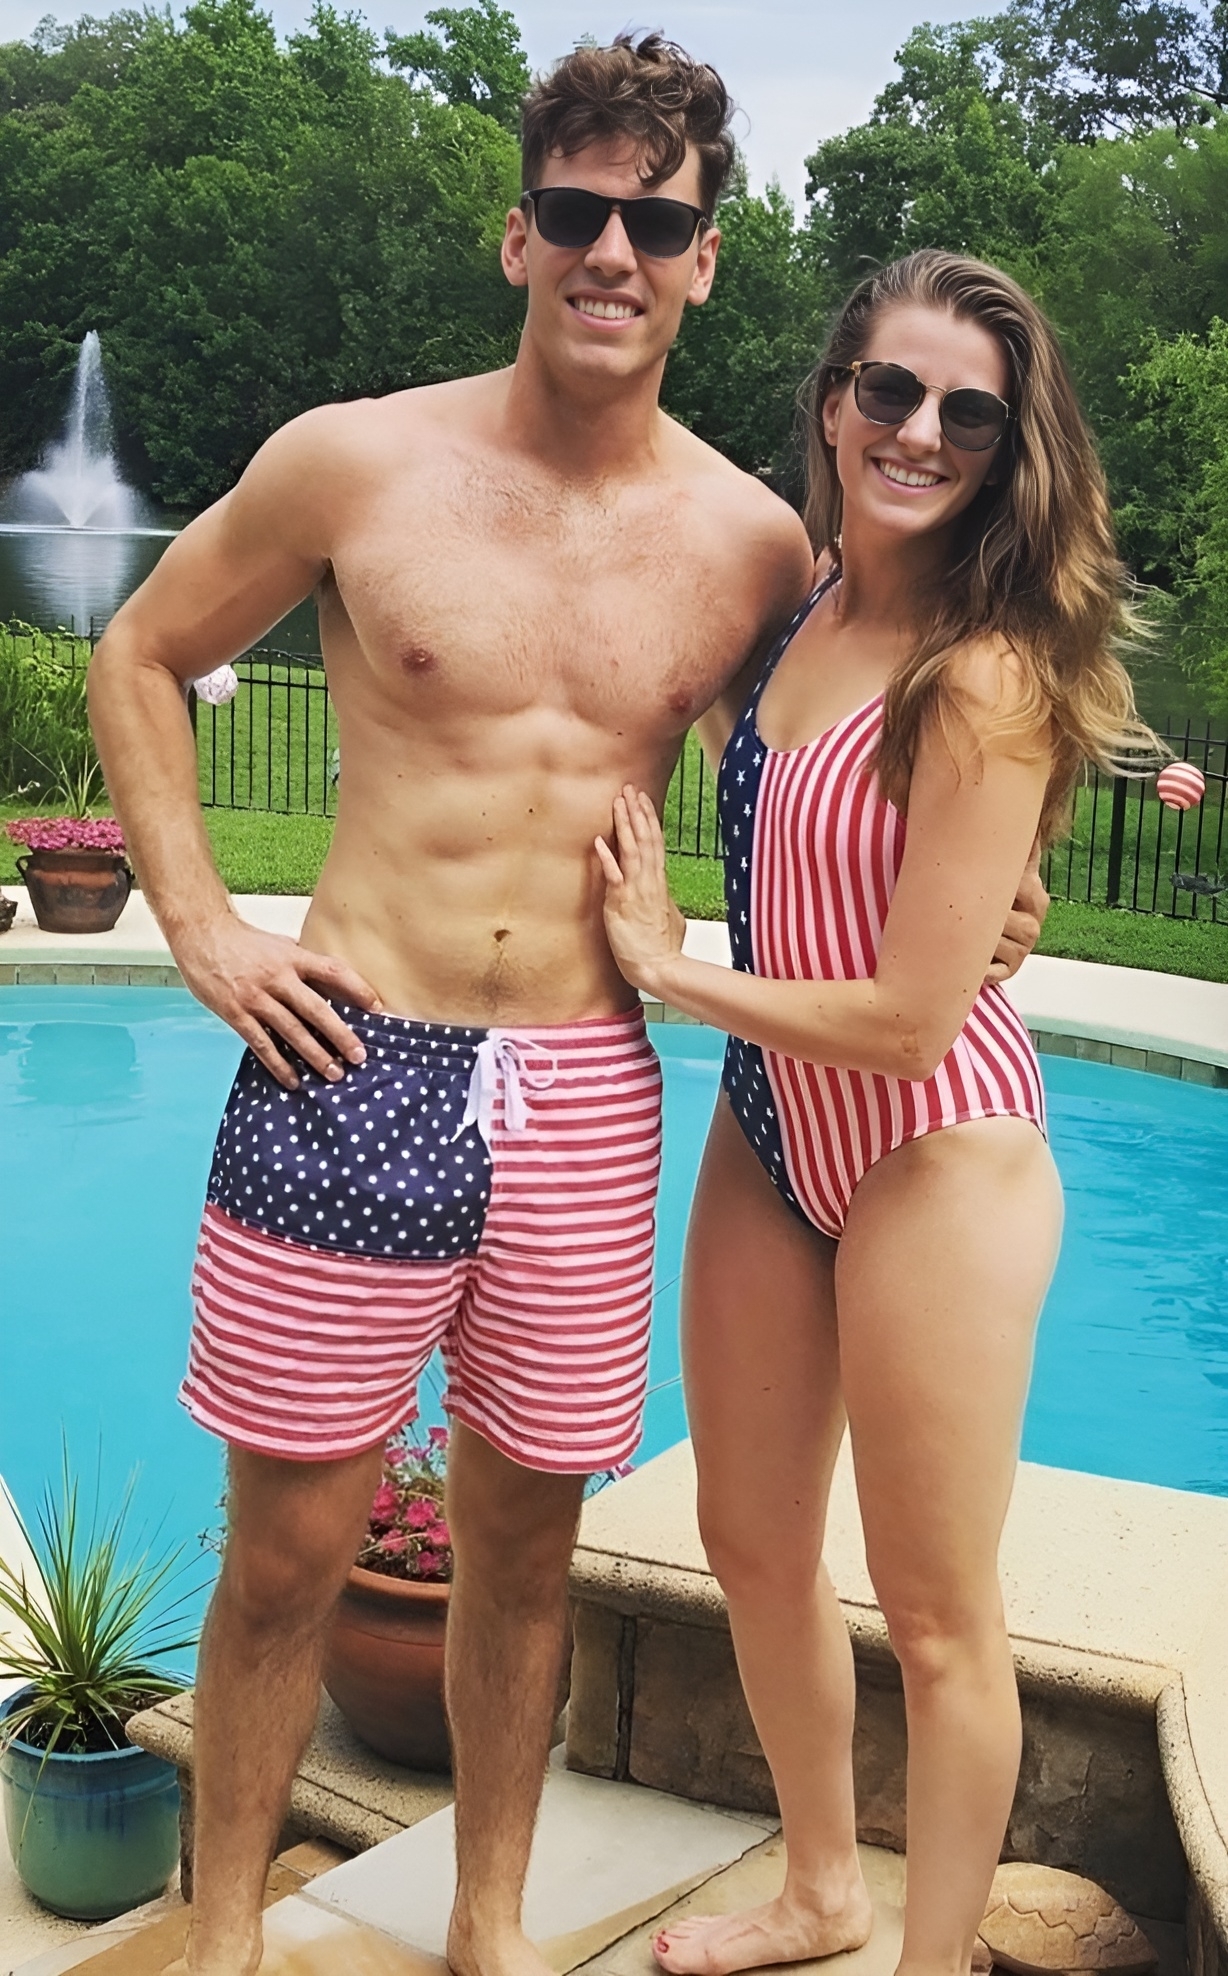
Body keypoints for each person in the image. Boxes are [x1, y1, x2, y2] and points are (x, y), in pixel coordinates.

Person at [88, 38, 1043, 1972]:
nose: (617, 251)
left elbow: (862, 735)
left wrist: (992, 888)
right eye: (580, 211)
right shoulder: (355, 460)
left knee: (529, 1550)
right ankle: (223, 1938)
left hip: (589, 1089)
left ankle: (493, 1928)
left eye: (658, 222)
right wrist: (200, 926)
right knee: (282, 1554)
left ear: (705, 260)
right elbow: (140, 648)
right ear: (519, 235)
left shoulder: (757, 545)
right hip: (350, 1054)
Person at [597, 251, 1158, 1976]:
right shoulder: (792, 603)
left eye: (967, 414)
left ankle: (929, 1964)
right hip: (776, 1131)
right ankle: (822, 1890)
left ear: (1007, 451)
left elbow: (915, 1024)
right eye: (892, 390)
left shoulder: (987, 675)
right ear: (837, 397)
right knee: (752, 1544)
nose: (920, 431)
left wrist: (668, 970)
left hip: (935, 1153)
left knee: (935, 1615)